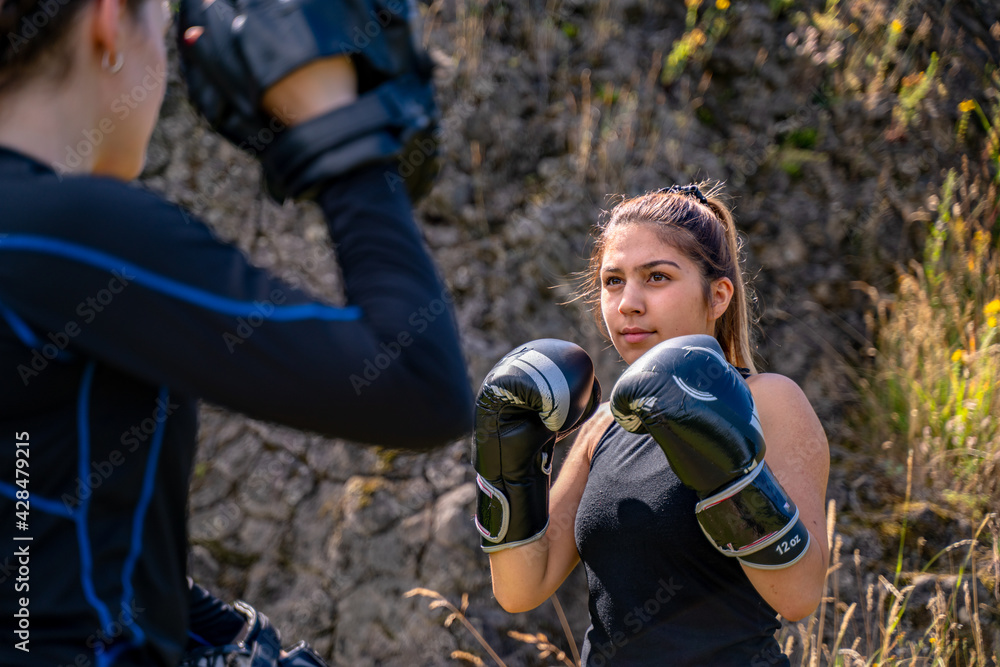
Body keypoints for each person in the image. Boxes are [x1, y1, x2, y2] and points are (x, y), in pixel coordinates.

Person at [0, 0, 472, 665]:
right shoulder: (72, 233)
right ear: (109, 23)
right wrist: (339, 133)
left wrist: (208, 628)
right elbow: (418, 384)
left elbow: (30, 509)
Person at [472, 185, 830, 666]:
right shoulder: (602, 427)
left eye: (657, 277)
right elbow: (521, 589)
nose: (628, 303)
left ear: (718, 295)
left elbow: (800, 595)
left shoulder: (769, 400)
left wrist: (731, 478)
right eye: (613, 281)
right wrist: (504, 456)